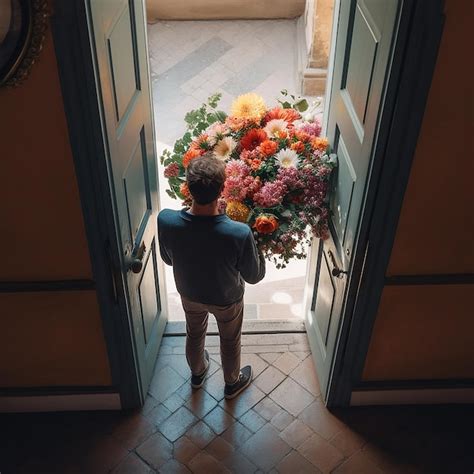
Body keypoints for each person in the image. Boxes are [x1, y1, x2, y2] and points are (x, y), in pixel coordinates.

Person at [158, 153, 266, 399]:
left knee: (194, 333)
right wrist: (261, 250)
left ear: (187, 187)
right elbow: (253, 276)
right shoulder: (238, 233)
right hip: (227, 298)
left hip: (189, 293)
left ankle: (197, 374)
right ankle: (231, 383)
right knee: (229, 340)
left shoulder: (167, 220)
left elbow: (167, 258)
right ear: (222, 190)